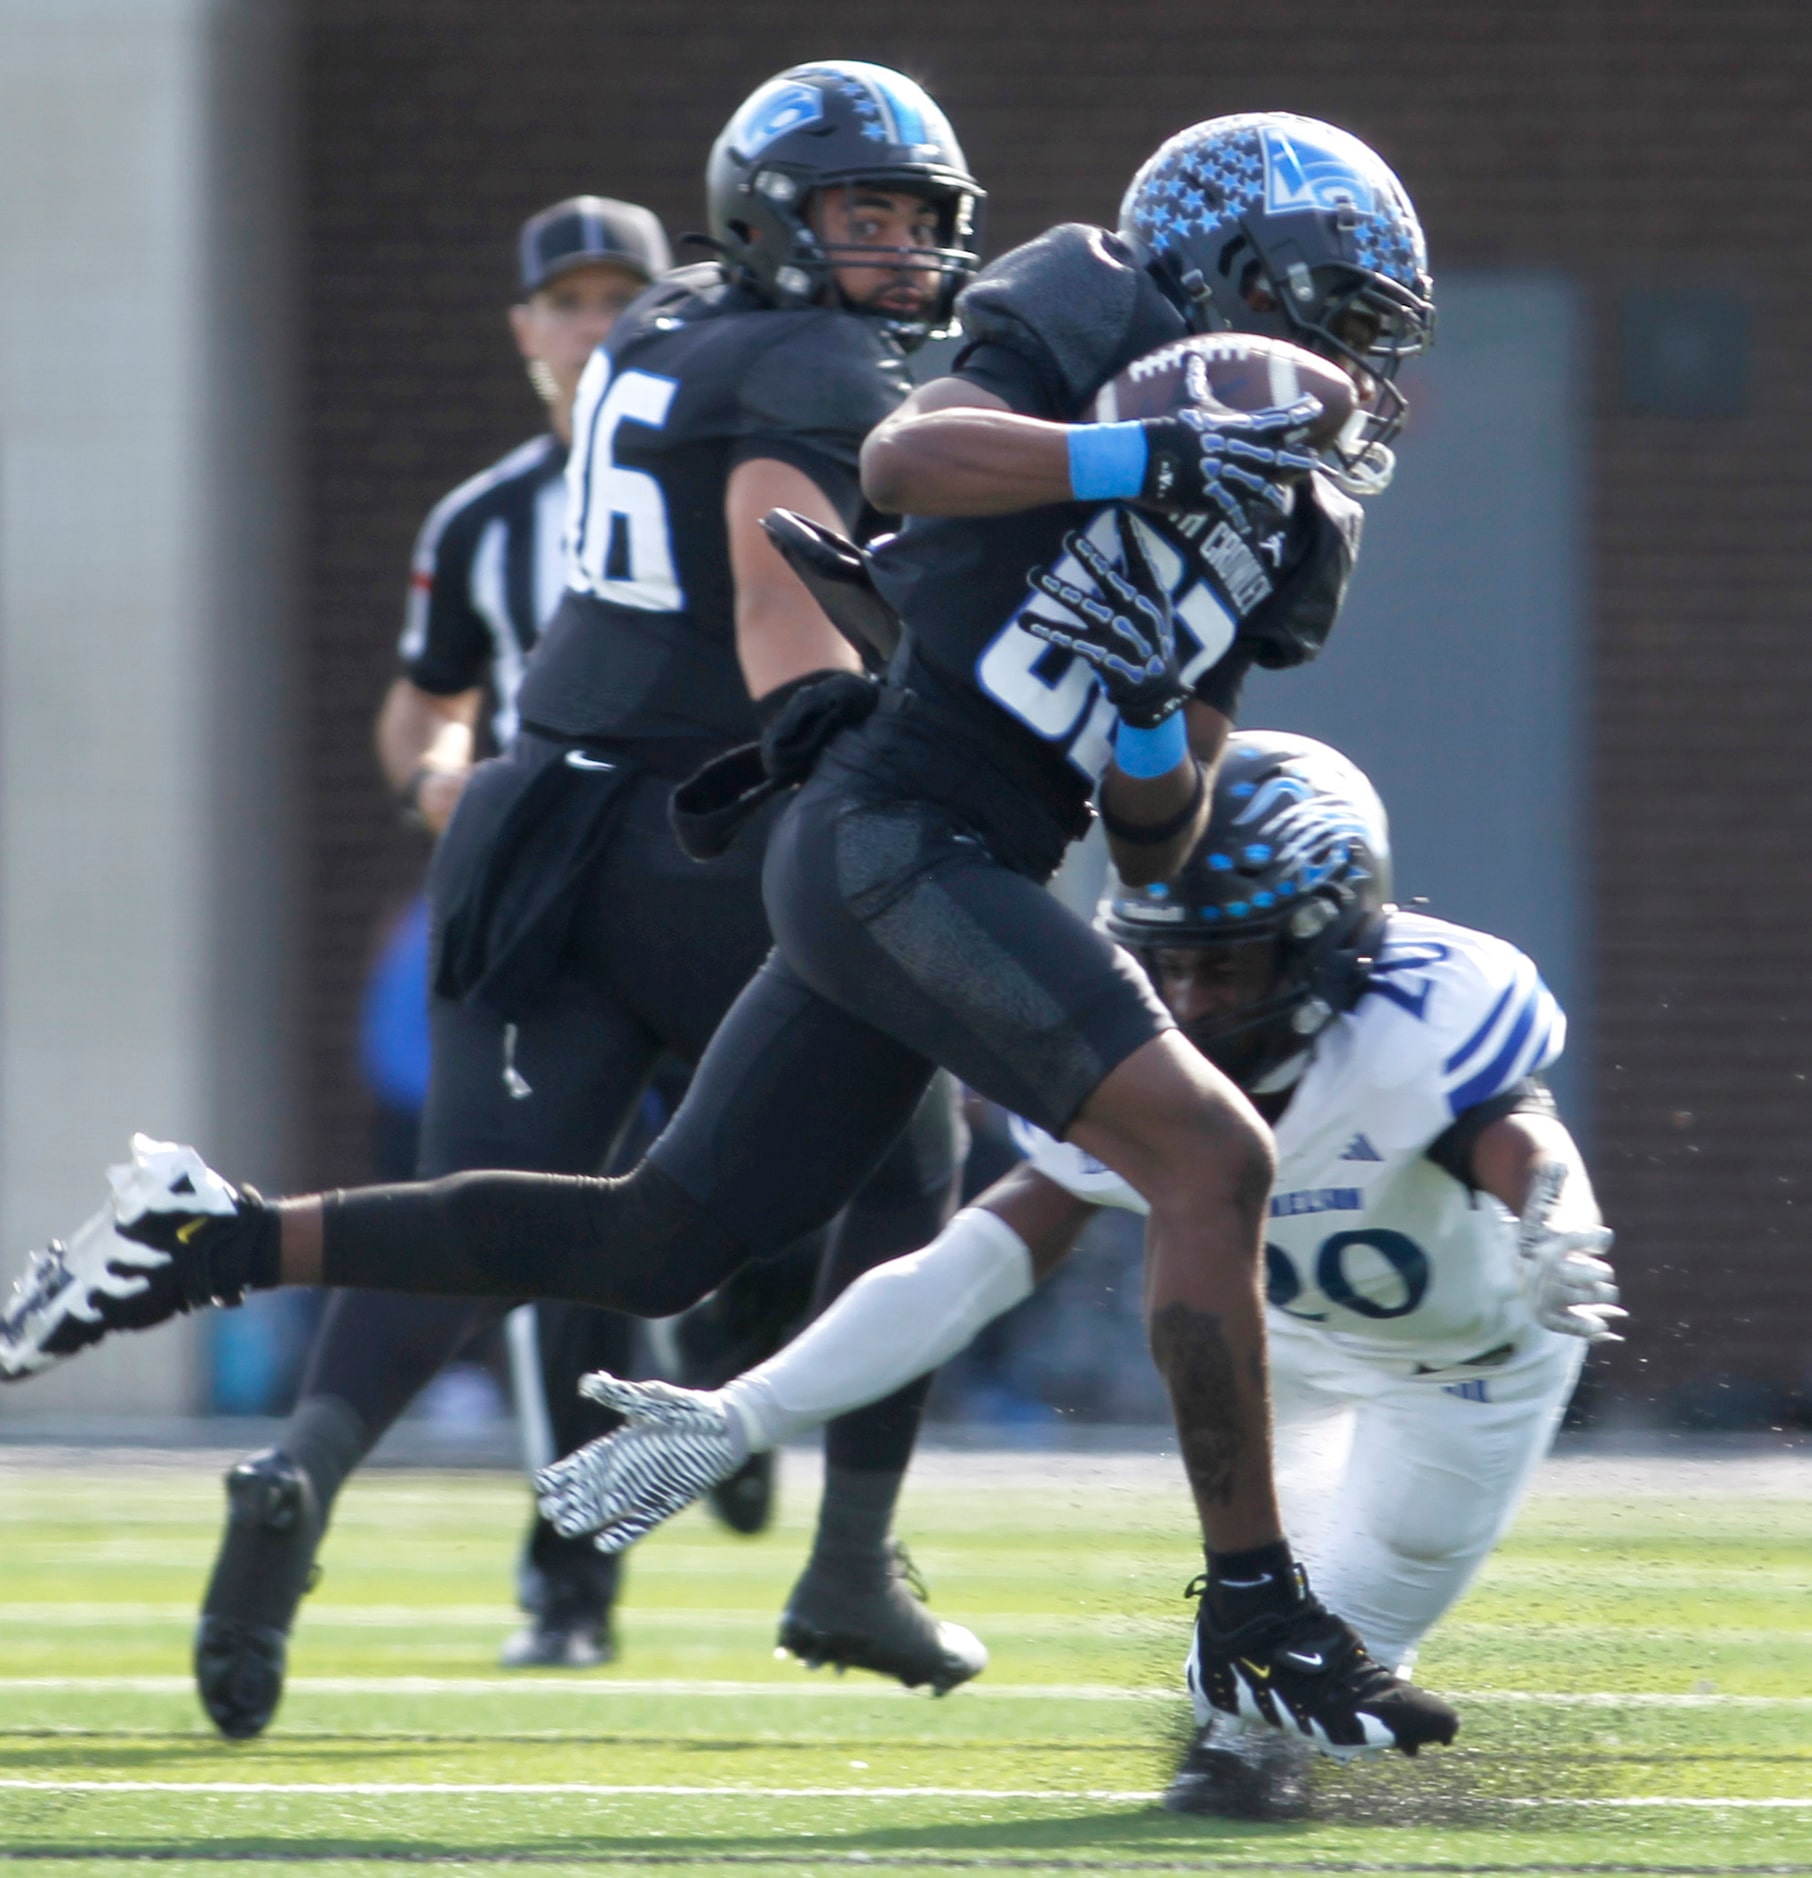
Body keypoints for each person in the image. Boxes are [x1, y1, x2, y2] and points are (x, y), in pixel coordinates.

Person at [1, 111, 1460, 1762]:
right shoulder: (1090, 304)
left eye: (1364, 334)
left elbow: (1162, 819)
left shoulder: (1298, 521)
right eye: (1330, 311)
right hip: (890, 824)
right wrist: (1135, 461)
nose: (1347, 365)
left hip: (976, 852)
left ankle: (212, 1237)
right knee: (1211, 1153)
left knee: (658, 1240)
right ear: (1223, 277)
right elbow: (909, 457)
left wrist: (1136, 714)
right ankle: (1256, 1606)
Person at [529, 731, 1622, 1816]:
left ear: (1327, 943)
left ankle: (1240, 1756)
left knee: (1319, 1668)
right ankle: (1233, 1740)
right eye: (1168, 963)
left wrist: (1551, 1216)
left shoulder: (1419, 1022)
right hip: (1276, 1337)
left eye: (1224, 963)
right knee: (1268, 1624)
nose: (1188, 1003)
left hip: (1466, 1361)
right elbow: (971, 1266)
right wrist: (749, 1410)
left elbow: (1515, 1135)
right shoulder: (1139, 1054)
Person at [209, 195, 676, 1722]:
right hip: (551, 909)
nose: (596, 323)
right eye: (570, 300)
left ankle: (730, 1426)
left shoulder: (740, 461)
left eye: (625, 297)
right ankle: (567, 1563)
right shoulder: (487, 519)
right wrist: (444, 782)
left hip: (727, 891)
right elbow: (426, 703)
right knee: (532, 1225)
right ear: (527, 329)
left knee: (772, 1201)